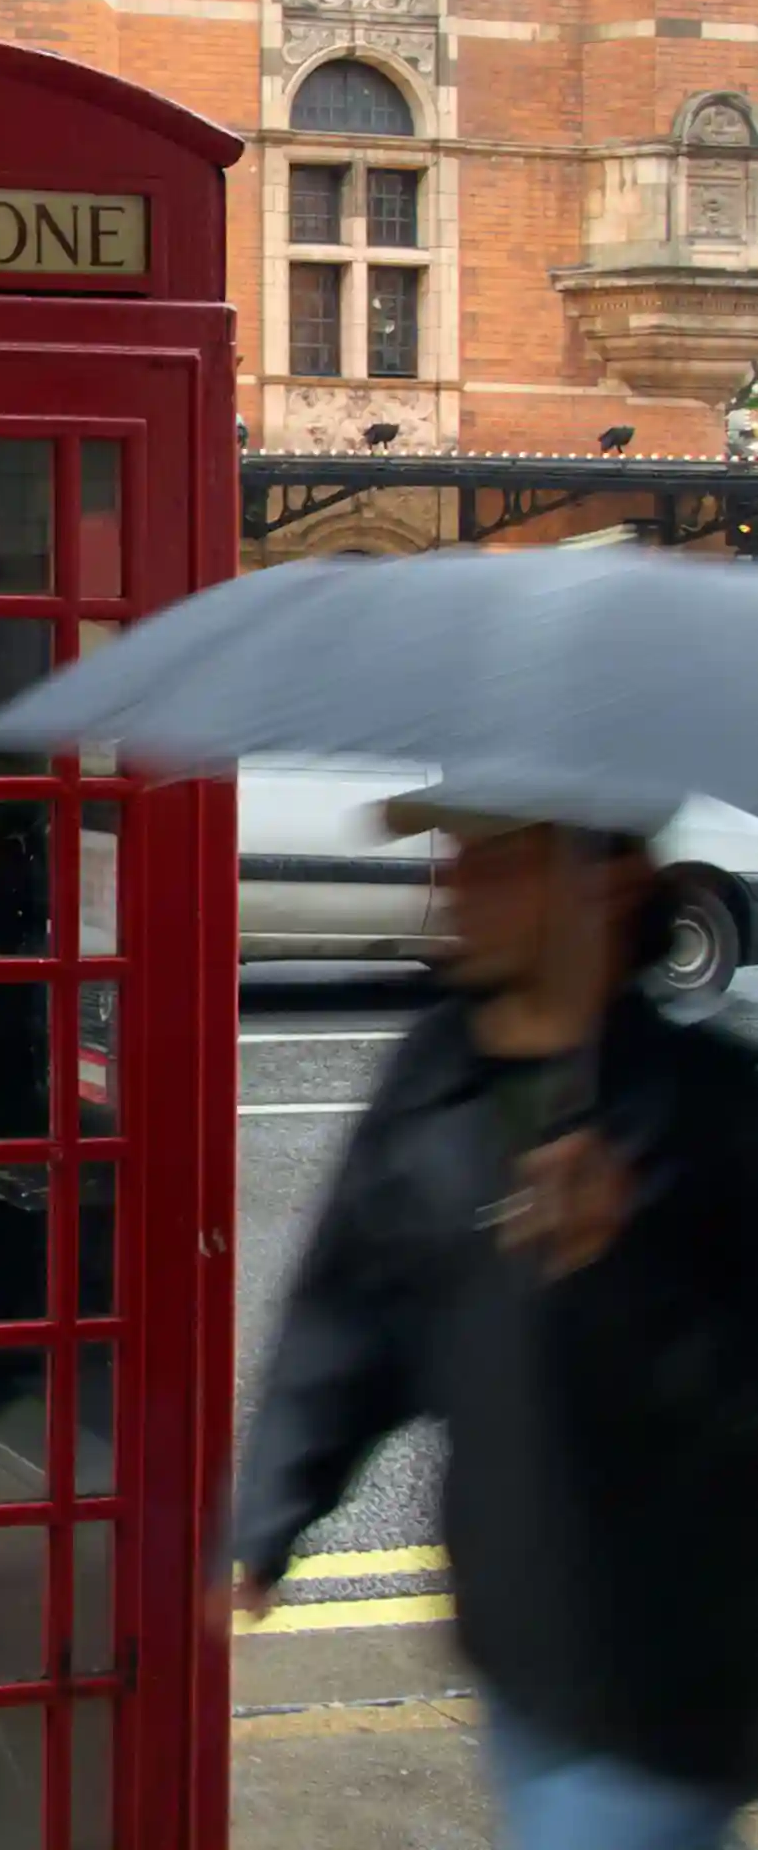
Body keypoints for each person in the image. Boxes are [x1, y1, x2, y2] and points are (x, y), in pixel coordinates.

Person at [231, 784, 758, 1850]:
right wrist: (272, 1512)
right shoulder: (437, 1069)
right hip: (511, 1641)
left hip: (663, 1678)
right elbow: (350, 1305)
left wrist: (624, 1270)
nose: (452, 887)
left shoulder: (709, 1111)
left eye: (493, 862)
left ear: (602, 886)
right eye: (450, 857)